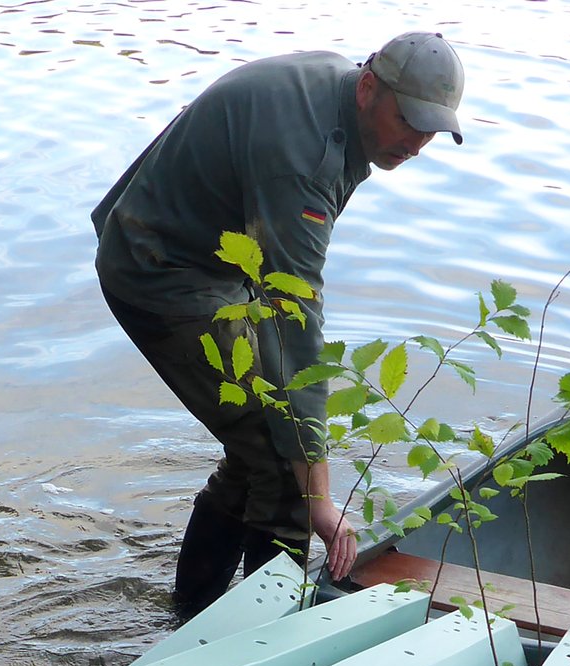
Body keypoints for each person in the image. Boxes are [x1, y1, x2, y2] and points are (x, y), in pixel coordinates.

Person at [92, 32, 465, 618]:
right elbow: (295, 319)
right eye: (409, 123)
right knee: (281, 466)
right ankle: (268, 641)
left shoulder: (340, 95)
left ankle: (190, 610)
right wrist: (319, 497)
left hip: (192, 253)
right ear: (370, 87)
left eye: (431, 131)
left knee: (258, 448)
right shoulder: (304, 160)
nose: (417, 144)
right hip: (159, 273)